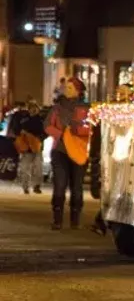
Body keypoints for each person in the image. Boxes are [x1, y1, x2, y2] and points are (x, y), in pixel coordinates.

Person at [46, 77, 91, 230]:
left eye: (71, 88)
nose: (67, 90)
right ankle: (57, 218)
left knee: (77, 187)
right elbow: (47, 125)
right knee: (59, 185)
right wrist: (61, 135)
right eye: (66, 87)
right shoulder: (57, 108)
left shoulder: (86, 108)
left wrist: (77, 131)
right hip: (60, 151)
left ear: (78, 91)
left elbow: (92, 128)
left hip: (79, 151)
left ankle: (75, 219)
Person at [8, 99, 45, 195]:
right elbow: (16, 130)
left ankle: (36, 186)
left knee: (38, 168)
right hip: (26, 147)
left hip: (37, 147)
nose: (33, 110)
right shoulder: (24, 119)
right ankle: (26, 186)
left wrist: (40, 138)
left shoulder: (41, 119)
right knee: (25, 168)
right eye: (32, 108)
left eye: (35, 108)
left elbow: (45, 132)